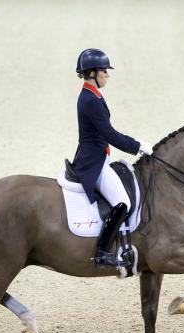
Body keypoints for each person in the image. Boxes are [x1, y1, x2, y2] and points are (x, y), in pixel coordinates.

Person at [72, 48, 153, 267]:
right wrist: (138, 146)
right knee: (122, 202)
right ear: (92, 73)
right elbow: (110, 134)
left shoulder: (93, 95)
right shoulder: (90, 100)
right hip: (93, 162)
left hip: (97, 157)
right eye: (104, 70)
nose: (107, 74)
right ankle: (102, 252)